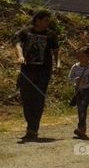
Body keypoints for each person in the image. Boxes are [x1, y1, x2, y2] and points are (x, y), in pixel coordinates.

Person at [14, 9, 60, 141]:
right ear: (38, 20)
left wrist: (58, 63)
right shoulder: (25, 32)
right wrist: (21, 56)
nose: (47, 23)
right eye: (45, 20)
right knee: (27, 98)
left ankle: (33, 129)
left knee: (38, 99)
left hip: (43, 71)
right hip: (27, 70)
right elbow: (18, 45)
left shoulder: (51, 34)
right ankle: (31, 125)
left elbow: (56, 50)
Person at [69, 47, 89, 139]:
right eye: (78, 56)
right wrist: (76, 80)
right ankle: (81, 129)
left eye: (82, 56)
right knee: (80, 109)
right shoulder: (75, 66)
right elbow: (70, 77)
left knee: (83, 107)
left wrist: (85, 80)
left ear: (88, 56)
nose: (80, 58)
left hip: (88, 90)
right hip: (78, 90)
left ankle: (81, 128)